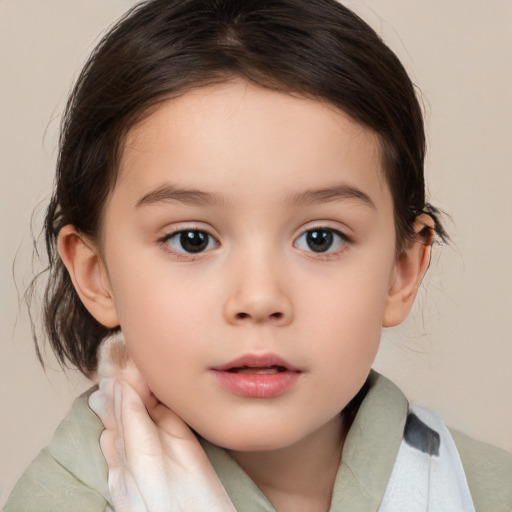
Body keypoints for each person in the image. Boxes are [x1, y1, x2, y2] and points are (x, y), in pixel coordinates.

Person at [5, 0, 512, 510]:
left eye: (320, 238)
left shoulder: (484, 489)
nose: (259, 298)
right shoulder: (65, 498)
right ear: (96, 275)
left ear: (401, 271)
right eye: (192, 240)